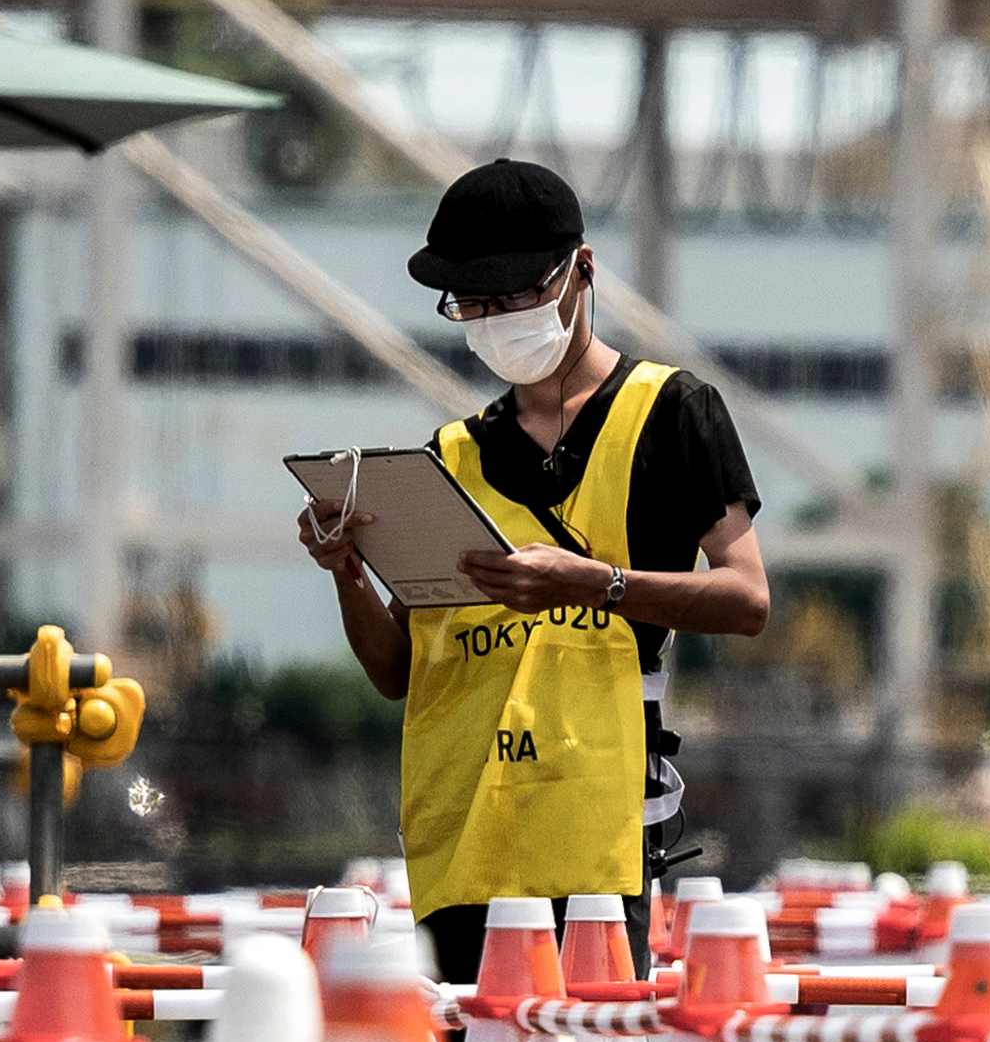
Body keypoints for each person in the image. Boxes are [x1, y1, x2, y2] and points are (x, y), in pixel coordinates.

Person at [294, 158, 769, 982]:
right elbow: (397, 670)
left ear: (580, 271)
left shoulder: (674, 413)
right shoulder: (450, 455)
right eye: (471, 305)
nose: (491, 320)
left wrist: (597, 585)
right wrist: (347, 573)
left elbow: (747, 598)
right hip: (463, 836)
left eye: (512, 297)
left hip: (597, 833)